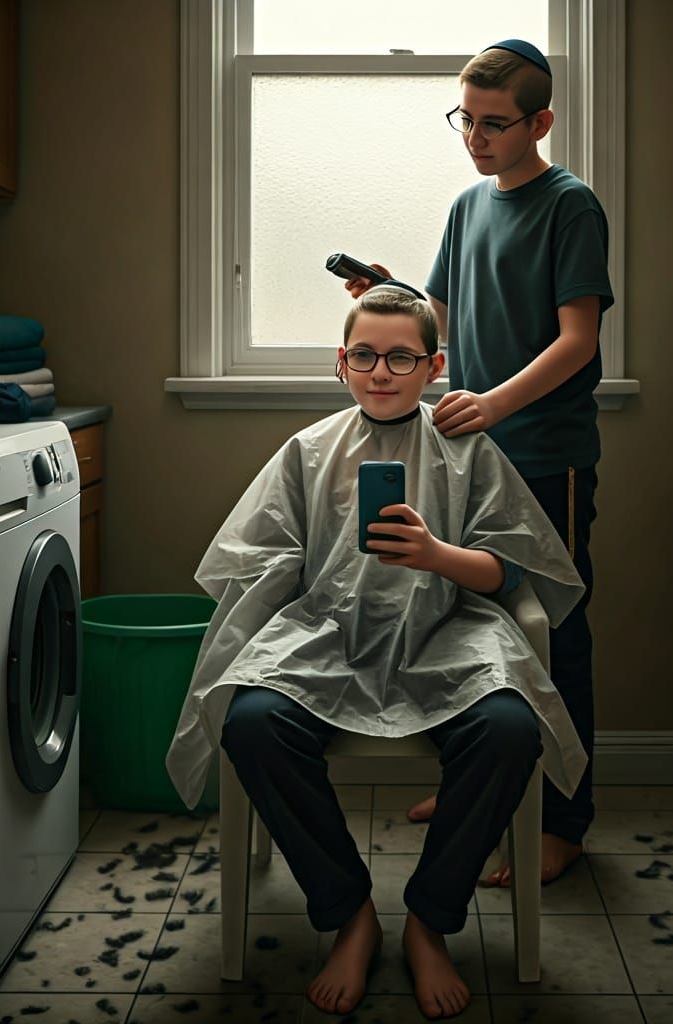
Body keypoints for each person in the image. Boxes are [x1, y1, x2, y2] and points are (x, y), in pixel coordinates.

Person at [166, 284, 587, 1019]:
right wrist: (291, 577)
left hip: (447, 631)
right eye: (364, 355)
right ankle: (349, 912)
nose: (381, 372)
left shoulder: (467, 449)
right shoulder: (308, 451)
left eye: (401, 358)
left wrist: (435, 555)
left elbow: (511, 570)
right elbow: (255, 554)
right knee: (252, 725)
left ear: (433, 367)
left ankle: (429, 919)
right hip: (328, 632)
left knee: (509, 731)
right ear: (341, 362)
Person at [345, 38, 614, 886]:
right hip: (470, 457)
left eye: (494, 123)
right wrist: (385, 295)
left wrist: (493, 404)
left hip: (545, 457)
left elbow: (579, 340)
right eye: (465, 119)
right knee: (464, 623)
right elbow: (438, 320)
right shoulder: (467, 206)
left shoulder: (571, 207)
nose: (475, 138)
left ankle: (563, 823)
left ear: (541, 122)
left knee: (551, 633)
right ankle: (479, 787)